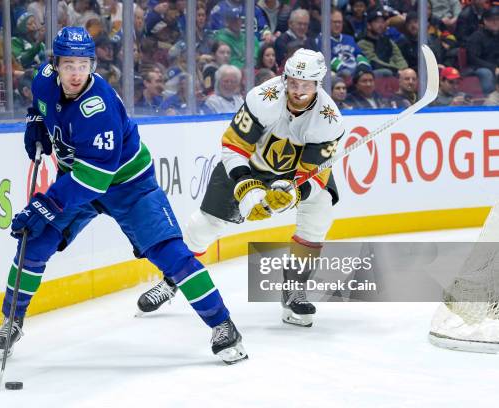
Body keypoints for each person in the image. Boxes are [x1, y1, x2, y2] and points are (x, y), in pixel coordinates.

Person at [0, 27, 248, 365]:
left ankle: (223, 326)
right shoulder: (43, 79)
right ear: (56, 64)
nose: (76, 73)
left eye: (83, 64)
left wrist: (46, 204)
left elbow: (94, 178)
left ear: (92, 65)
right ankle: (12, 321)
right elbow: (39, 103)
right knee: (33, 243)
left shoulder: (99, 108)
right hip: (77, 177)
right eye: (69, 65)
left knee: (170, 253)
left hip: (128, 185)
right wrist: (36, 120)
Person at [137, 49, 345, 328]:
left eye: (305, 85)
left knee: (319, 212)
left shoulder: (329, 120)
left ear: (318, 84)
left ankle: (294, 287)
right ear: (285, 78)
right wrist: (249, 191)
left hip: (293, 175)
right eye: (293, 82)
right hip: (247, 165)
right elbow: (234, 146)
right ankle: (172, 279)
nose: (297, 90)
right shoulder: (263, 97)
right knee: (203, 227)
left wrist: (291, 194)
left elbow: (314, 177)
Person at [357, 8, 408, 76]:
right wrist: (396, 70)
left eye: (382, 22)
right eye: (377, 22)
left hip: (396, 72)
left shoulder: (388, 41)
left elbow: (399, 58)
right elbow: (374, 62)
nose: (381, 25)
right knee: (386, 72)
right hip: (377, 75)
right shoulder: (362, 43)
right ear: (369, 25)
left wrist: (404, 70)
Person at [466, 6, 499, 95]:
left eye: (498, 19)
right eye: (492, 20)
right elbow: (473, 59)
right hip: (479, 67)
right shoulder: (477, 37)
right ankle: (489, 99)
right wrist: (493, 68)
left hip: (496, 67)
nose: (495, 22)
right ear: (485, 21)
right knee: (486, 73)